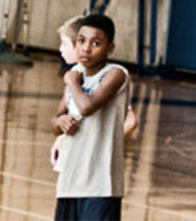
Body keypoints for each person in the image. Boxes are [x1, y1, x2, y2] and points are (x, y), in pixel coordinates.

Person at [51, 14, 128, 220]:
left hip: (100, 185)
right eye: (81, 41)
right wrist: (61, 121)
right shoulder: (76, 73)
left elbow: (87, 107)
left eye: (95, 43)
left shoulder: (115, 74)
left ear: (110, 48)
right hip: (70, 180)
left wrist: (73, 83)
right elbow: (55, 122)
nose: (86, 48)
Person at [50, 15, 137, 169]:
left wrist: (102, 144)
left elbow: (131, 120)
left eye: (65, 44)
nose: (61, 49)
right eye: (82, 41)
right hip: (71, 161)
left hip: (96, 165)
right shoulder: (74, 75)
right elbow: (58, 120)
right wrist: (61, 127)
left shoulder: (110, 76)